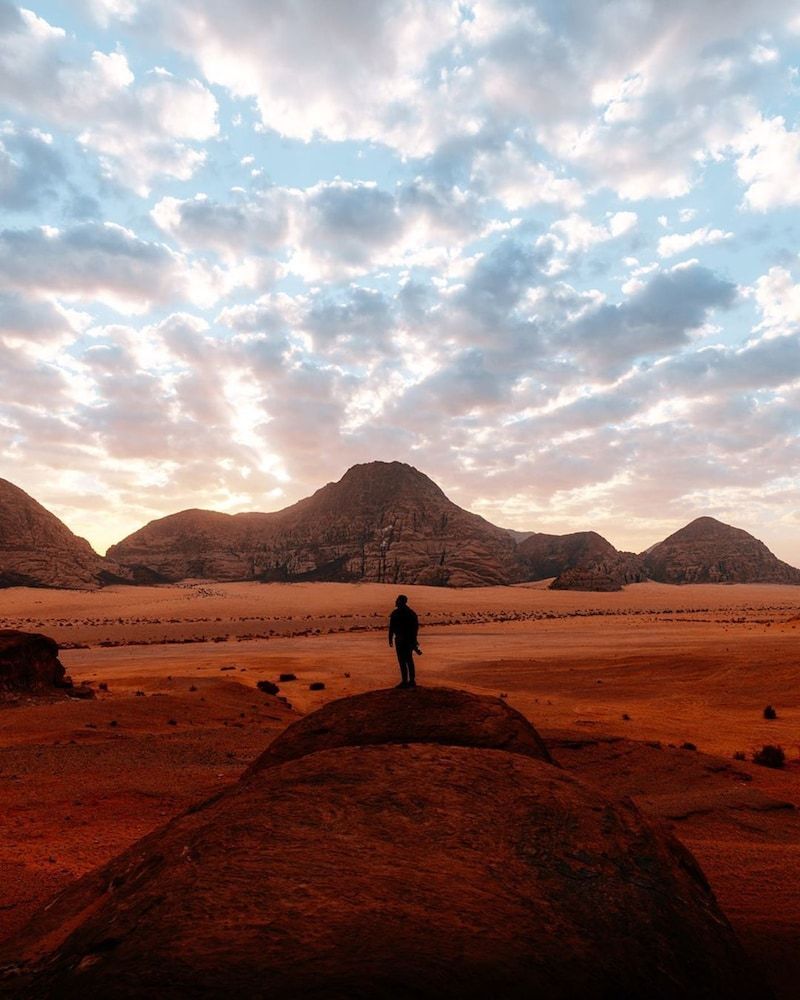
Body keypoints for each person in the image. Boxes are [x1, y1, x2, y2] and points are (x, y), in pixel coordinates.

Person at [388, 593, 420, 689]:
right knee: (407, 660)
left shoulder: (397, 613)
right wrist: (414, 640)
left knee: (404, 661)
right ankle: (410, 681)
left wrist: (390, 638)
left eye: (397, 600)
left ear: (401, 601)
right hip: (406, 640)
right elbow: (415, 628)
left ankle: (407, 681)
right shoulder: (411, 613)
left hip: (402, 640)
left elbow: (392, 628)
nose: (396, 601)